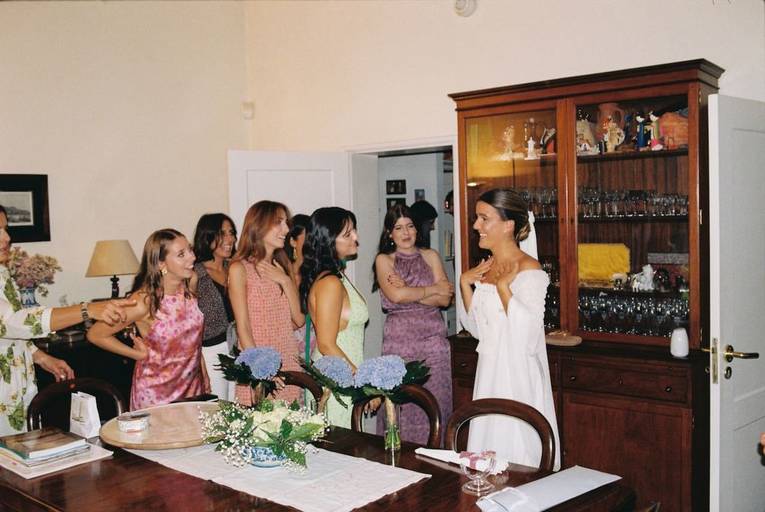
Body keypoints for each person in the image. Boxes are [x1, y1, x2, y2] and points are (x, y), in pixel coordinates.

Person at [0, 205, 132, 434]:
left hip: (16, 392)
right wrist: (86, 310)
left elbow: (10, 335)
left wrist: (41, 357)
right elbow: (12, 322)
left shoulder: (2, 273)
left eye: (5, 229)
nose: (6, 237)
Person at [458, 188, 560, 470]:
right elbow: (478, 330)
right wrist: (465, 284)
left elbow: (528, 336)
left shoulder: (530, 270)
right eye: (477, 218)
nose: (476, 225)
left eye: (484, 218)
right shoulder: (487, 267)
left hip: (516, 378)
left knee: (516, 451)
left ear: (508, 225)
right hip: (489, 374)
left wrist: (504, 288)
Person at [87, 228, 208, 411]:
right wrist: (136, 355)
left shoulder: (190, 283)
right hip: (156, 394)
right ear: (161, 263)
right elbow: (96, 334)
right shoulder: (144, 301)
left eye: (190, 250)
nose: (192, 257)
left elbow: (193, 339)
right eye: (181, 254)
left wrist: (203, 371)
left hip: (192, 387)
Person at [372, 204, 454, 444]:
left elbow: (445, 299)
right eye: (398, 228)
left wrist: (409, 289)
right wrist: (432, 289)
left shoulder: (431, 256)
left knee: (436, 405)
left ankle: (436, 457)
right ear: (390, 233)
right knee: (402, 407)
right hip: (400, 345)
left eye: (409, 226)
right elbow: (396, 296)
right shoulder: (384, 260)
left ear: (417, 229)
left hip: (434, 345)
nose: (406, 232)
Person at [228, 201, 304, 405]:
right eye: (278, 223)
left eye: (286, 223)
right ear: (259, 225)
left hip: (287, 357)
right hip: (258, 360)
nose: (286, 230)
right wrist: (260, 369)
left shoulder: (282, 265)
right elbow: (243, 327)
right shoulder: (239, 268)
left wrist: (285, 281)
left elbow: (299, 320)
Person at [300, 207, 368, 428]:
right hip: (336, 379)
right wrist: (362, 384)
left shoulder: (337, 277)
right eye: (347, 234)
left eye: (354, 230)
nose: (356, 237)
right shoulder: (330, 283)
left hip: (344, 374)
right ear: (328, 241)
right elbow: (326, 344)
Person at [192, 213, 237, 401]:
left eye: (231, 233)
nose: (229, 239)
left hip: (237, 347)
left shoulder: (235, 268)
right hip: (210, 351)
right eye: (222, 233)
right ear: (207, 236)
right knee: (218, 407)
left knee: (239, 406)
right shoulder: (195, 274)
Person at [285, 214, 315, 360]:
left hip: (314, 346)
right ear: (293, 241)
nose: (312, 243)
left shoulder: (317, 274)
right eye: (308, 238)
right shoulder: (281, 273)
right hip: (286, 343)